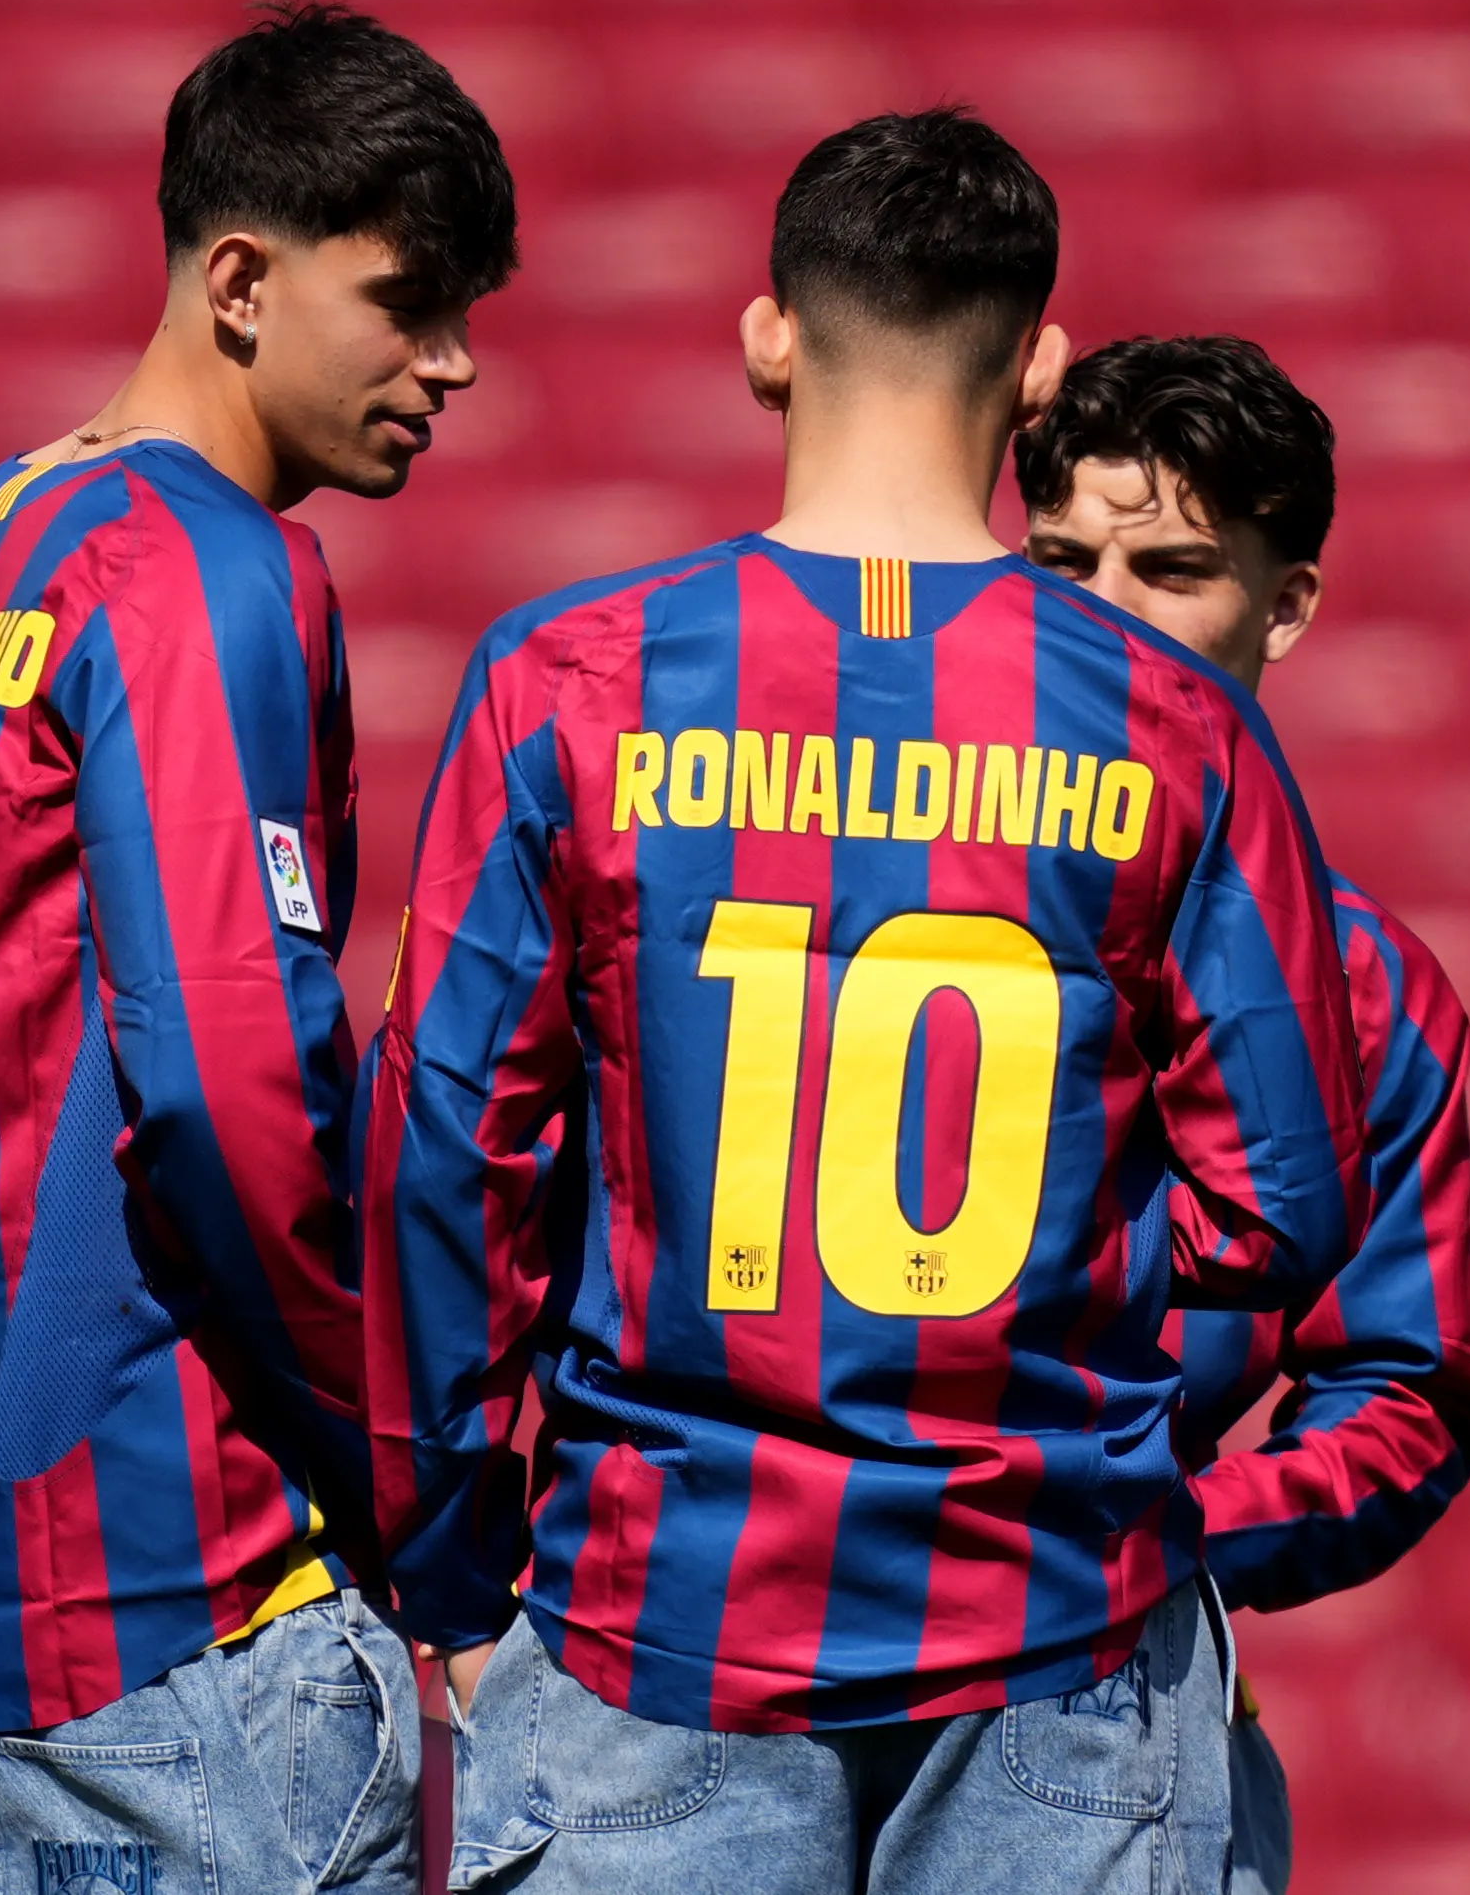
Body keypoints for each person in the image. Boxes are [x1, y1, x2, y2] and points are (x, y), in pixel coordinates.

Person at [359, 108, 1370, 1895]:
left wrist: (447, 1546)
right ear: (1040, 365)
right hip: (1049, 1623)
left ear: (768, 334)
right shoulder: (1168, 722)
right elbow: (1284, 1197)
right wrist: (1050, 1352)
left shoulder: (567, 683)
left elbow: (448, 1163)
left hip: (651, 1616)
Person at [0, 1, 517, 1893]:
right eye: (408, 301)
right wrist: (402, 1482)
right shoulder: (207, 574)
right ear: (240, 278)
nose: (454, 363)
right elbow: (235, 1092)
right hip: (183, 1632)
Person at [1015, 335, 1470, 1895]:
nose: (1095, 610)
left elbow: (1401, 1384)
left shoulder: (1358, 990)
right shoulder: (791, 869)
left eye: (1168, 569)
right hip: (756, 1680)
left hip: (1110, 1713)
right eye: (1056, 559)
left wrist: (1161, 1539)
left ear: (1286, 606)